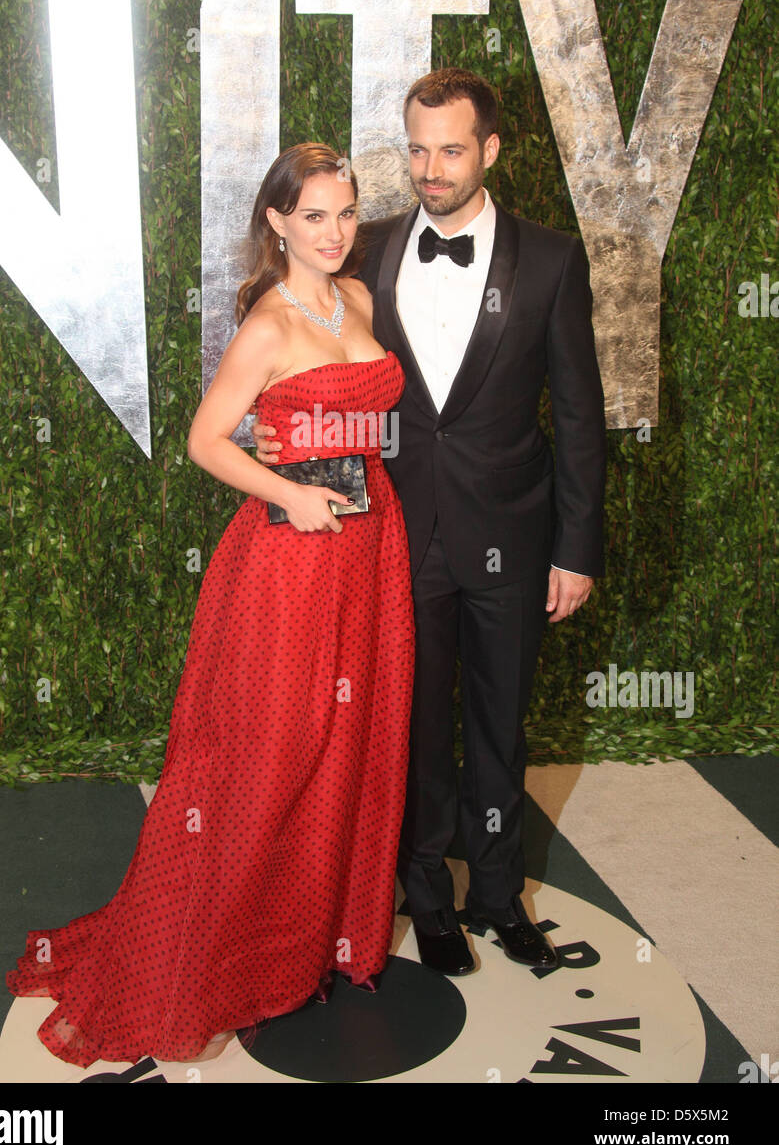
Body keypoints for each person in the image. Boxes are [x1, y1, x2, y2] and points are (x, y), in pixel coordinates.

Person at [5, 143, 414, 1067]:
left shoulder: (358, 299)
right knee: (267, 761)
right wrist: (290, 494)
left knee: (345, 748)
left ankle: (307, 940)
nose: (336, 232)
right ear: (277, 222)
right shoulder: (267, 323)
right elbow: (203, 440)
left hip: (369, 550)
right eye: (314, 216)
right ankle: (213, 958)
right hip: (286, 564)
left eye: (345, 213)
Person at [255, 69, 606, 977]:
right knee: (408, 726)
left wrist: (575, 548)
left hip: (514, 537)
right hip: (394, 535)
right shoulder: (359, 248)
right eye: (416, 148)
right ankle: (426, 897)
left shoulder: (554, 259)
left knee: (499, 723)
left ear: (489, 150)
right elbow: (298, 372)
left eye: (450, 149)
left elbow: (577, 412)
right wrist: (285, 476)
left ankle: (497, 896)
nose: (430, 168)